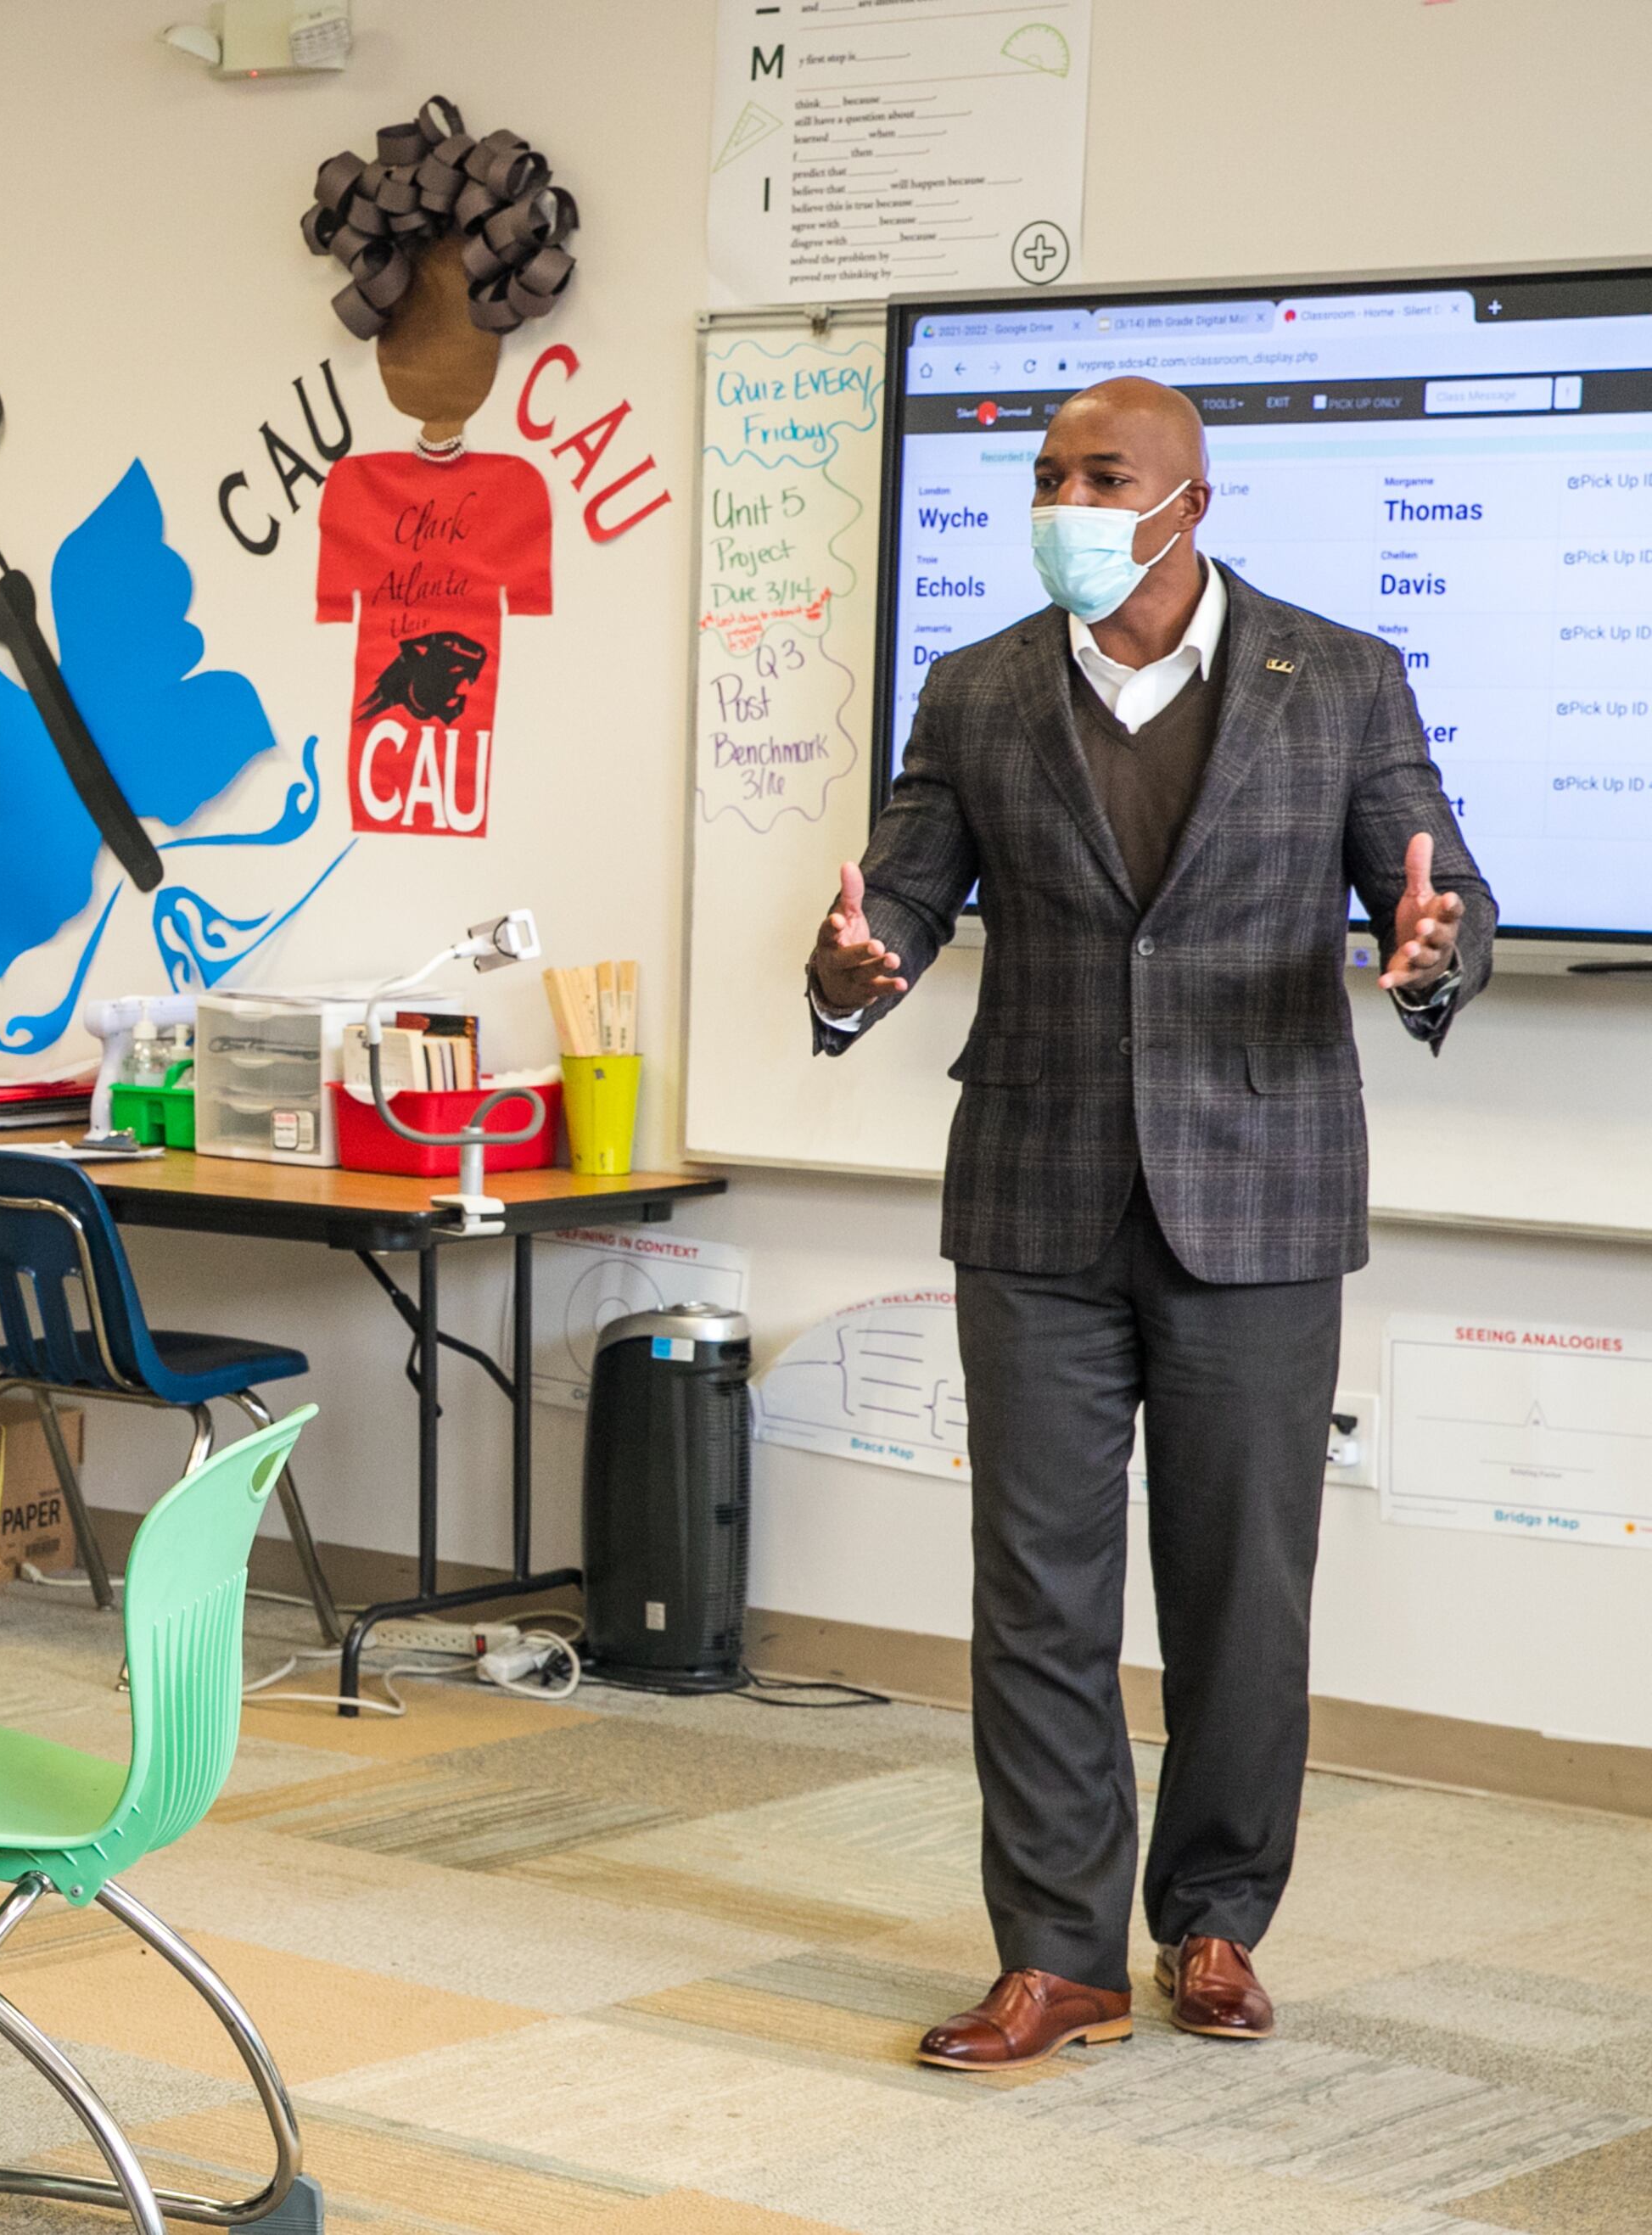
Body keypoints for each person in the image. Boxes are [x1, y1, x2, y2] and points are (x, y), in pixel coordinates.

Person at [807, 377, 1492, 2072]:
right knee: (1036, 1591)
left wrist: (1429, 955)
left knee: (1241, 1592)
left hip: (1259, 1192)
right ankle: (1057, 1956)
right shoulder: (973, 690)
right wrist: (853, 962)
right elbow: (901, 882)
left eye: (1100, 473)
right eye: (1047, 474)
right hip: (1034, 1187)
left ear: (1189, 498)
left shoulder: (1338, 675)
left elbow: (1441, 892)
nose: (1067, 497)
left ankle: (1213, 1924)